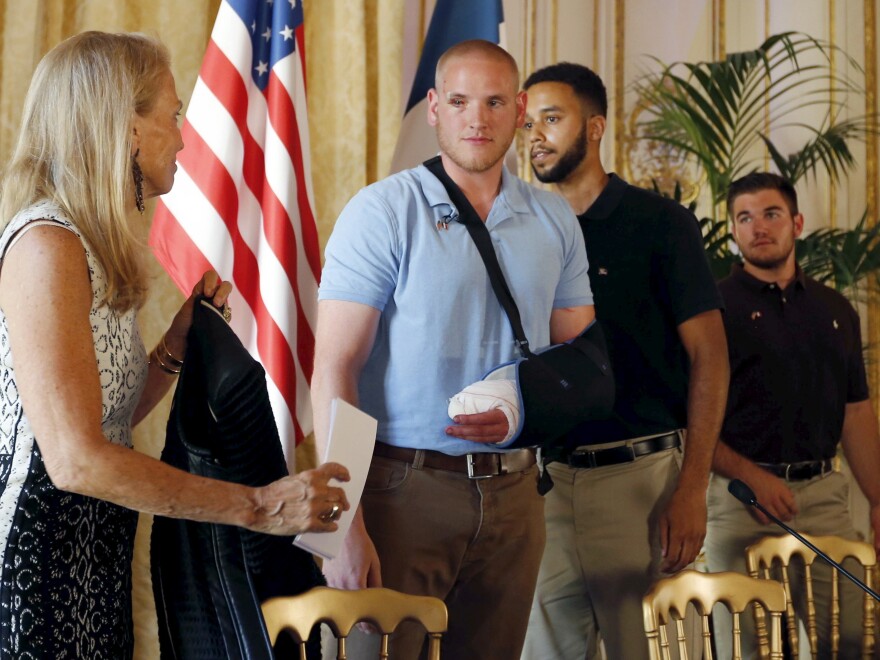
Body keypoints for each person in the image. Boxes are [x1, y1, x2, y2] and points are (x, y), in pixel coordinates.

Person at [0, 31, 350, 659]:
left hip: (92, 549)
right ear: (127, 128)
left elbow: (109, 421)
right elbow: (75, 458)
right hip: (36, 562)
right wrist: (259, 506)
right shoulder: (46, 247)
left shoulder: (87, 245)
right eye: (173, 114)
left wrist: (175, 345)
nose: (184, 137)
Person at [311, 40, 595, 660]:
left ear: (519, 110)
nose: (479, 118)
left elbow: (581, 361)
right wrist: (342, 521)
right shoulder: (382, 211)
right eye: (461, 101)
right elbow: (336, 370)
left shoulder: (554, 219)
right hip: (401, 488)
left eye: (495, 102)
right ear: (435, 108)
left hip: (518, 495)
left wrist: (529, 411)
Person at [520, 62, 729, 660]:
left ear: (595, 127)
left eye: (552, 119)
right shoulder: (521, 233)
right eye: (528, 123)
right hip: (546, 487)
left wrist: (693, 488)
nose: (536, 135)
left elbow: (711, 358)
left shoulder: (660, 224)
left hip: (643, 485)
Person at [704, 172, 880, 658]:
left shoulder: (837, 309)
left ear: (797, 223)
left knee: (853, 644)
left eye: (771, 214)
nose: (758, 226)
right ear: (735, 231)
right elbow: (691, 422)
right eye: (745, 218)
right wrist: (750, 478)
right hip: (740, 503)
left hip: (823, 501)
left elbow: (857, 412)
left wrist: (879, 501)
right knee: (747, 651)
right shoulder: (712, 311)